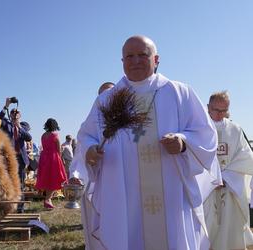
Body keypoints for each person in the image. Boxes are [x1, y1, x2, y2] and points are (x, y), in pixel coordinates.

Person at [77, 35, 221, 250]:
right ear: (122, 61)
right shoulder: (107, 100)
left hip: (171, 193)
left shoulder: (180, 93)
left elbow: (206, 134)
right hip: (122, 193)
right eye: (129, 56)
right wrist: (89, 150)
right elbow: (86, 135)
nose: (135, 61)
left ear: (156, 59)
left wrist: (183, 142)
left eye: (142, 55)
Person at [204, 91, 253, 249]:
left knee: (230, 230)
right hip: (206, 191)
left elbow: (246, 157)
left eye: (224, 110)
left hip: (230, 190)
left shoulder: (235, 130)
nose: (220, 114)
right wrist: (211, 179)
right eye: (216, 110)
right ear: (208, 108)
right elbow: (192, 156)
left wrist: (225, 177)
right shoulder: (199, 128)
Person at [69, 81, 115, 250]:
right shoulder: (89, 126)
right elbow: (80, 155)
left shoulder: (129, 123)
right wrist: (76, 175)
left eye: (111, 94)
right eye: (103, 95)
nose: (107, 98)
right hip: (95, 184)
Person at [0, 98, 32, 213]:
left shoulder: (24, 125)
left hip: (20, 159)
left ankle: (20, 208)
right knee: (8, 182)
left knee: (20, 182)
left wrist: (19, 126)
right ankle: (9, 207)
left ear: (20, 115)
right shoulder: (6, 123)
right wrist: (6, 106)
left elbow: (28, 137)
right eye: (12, 113)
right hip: (8, 158)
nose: (14, 114)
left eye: (16, 113)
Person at [35, 118, 67, 208]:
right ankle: (48, 199)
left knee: (47, 179)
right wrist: (61, 159)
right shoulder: (55, 135)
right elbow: (58, 149)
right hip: (53, 158)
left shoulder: (43, 135)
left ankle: (48, 200)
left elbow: (44, 146)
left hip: (44, 157)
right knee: (54, 178)